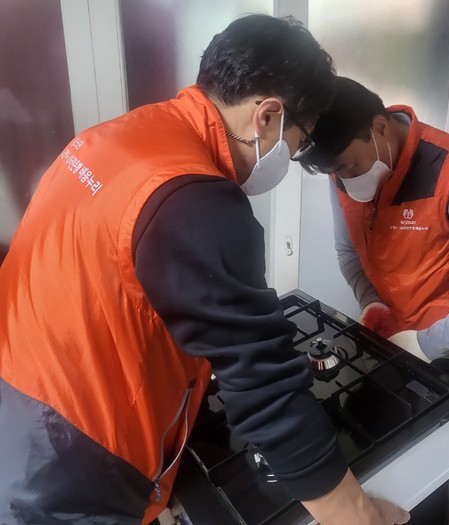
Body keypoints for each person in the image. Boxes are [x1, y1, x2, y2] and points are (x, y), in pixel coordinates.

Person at [0, 16, 409, 525]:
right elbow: (265, 390)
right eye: (299, 141)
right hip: (67, 463)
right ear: (268, 116)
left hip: (16, 407)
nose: (292, 155)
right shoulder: (195, 198)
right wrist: (357, 514)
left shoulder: (114, 137)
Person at [299, 77, 449, 384]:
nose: (345, 180)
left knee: (438, 406)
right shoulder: (341, 172)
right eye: (335, 173)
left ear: (379, 128)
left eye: (351, 167)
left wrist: (428, 343)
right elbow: (347, 251)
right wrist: (371, 300)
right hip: (391, 325)